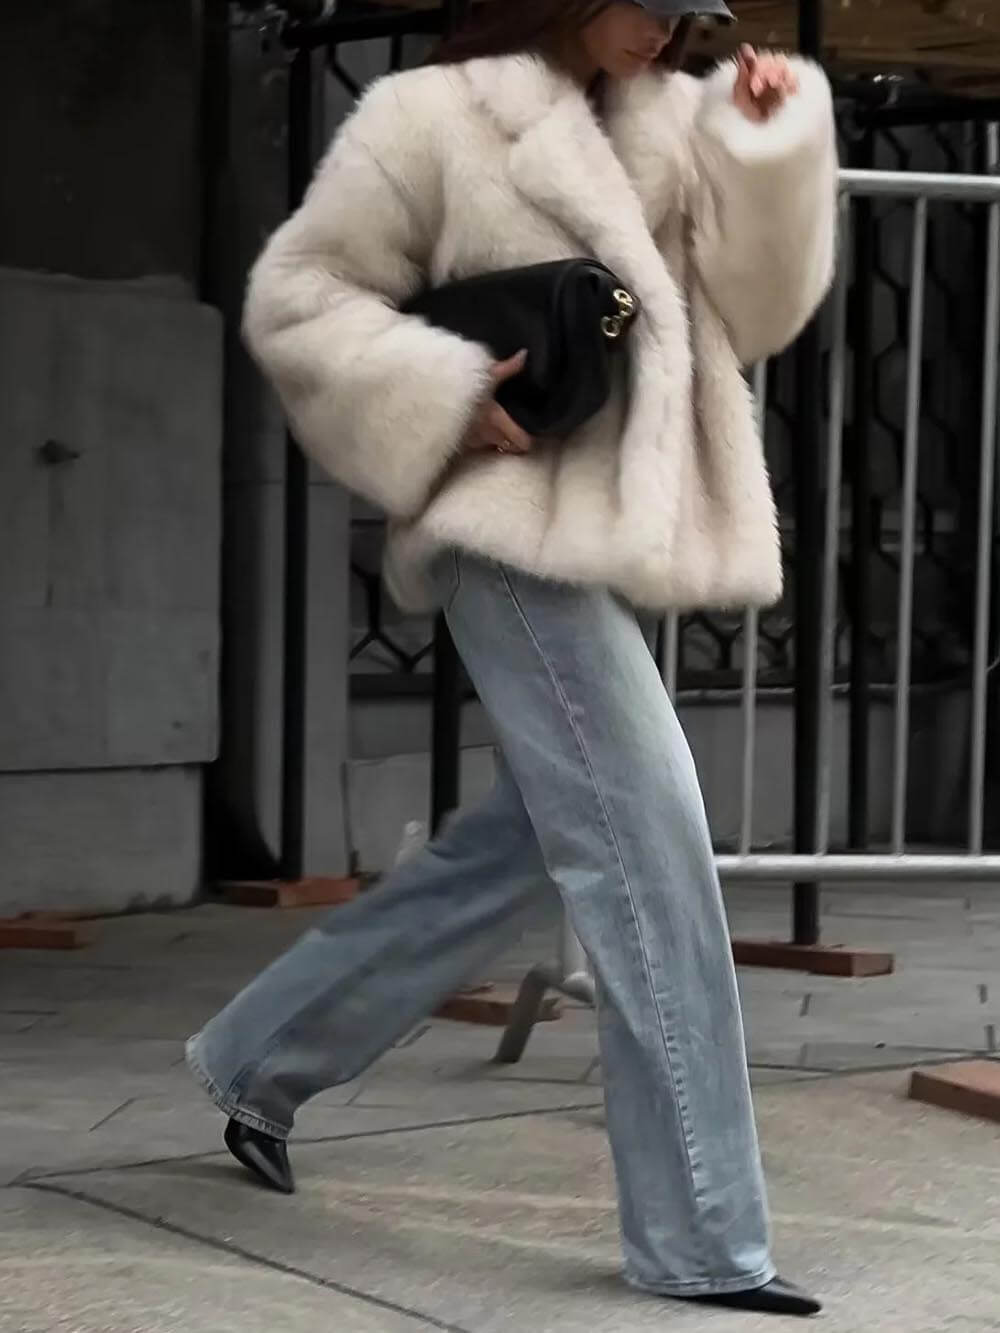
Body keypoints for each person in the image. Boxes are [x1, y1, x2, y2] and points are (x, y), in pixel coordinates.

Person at [187, 0, 837, 1317]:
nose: (670, 30)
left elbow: (756, 313)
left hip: (603, 532)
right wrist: (441, 388)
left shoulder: (671, 119)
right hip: (501, 526)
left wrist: (766, 152)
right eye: (650, 2)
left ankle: (262, 1057)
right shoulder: (430, 119)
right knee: (648, 834)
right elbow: (300, 301)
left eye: (694, 9)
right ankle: (702, 1233)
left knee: (539, 835)